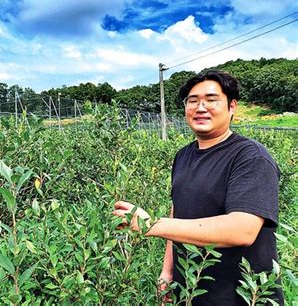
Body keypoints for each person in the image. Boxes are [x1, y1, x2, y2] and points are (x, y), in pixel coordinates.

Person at [113, 71, 283, 305]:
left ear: (232, 106)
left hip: (240, 297)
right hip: (191, 291)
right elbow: (178, 211)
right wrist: (168, 272)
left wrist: (150, 224)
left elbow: (243, 229)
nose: (200, 107)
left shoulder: (251, 157)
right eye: (192, 101)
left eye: (211, 99)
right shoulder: (183, 155)